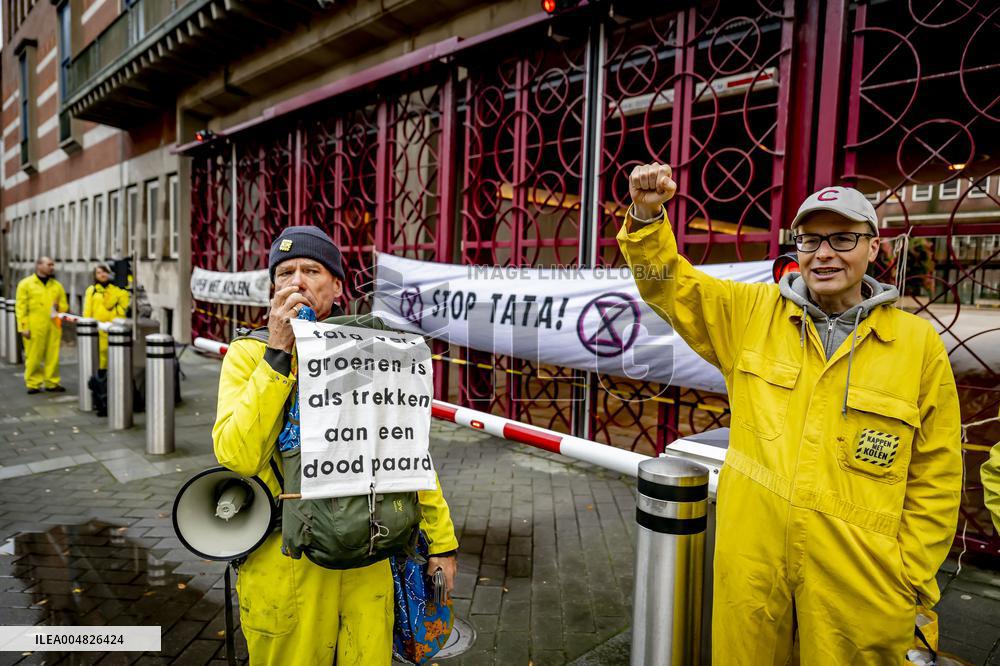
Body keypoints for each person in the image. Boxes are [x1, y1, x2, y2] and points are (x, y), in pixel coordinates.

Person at [618, 164, 962, 663]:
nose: (823, 254)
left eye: (843, 239)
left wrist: (909, 573)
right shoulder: (749, 314)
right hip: (753, 564)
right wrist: (648, 217)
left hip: (862, 577)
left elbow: (937, 473)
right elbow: (669, 286)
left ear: (873, 247)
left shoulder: (916, 344)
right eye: (810, 240)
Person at [212, 225, 458, 665]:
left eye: (312, 270)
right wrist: (278, 353)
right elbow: (237, 455)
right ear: (272, 288)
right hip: (286, 563)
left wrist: (441, 543)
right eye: (285, 272)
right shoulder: (248, 354)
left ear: (338, 286)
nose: (297, 282)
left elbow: (405, 450)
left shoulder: (375, 350)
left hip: (370, 558)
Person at [15, 256, 69, 394]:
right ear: (39, 265)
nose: (52, 267)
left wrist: (59, 307)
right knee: (34, 356)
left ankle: (52, 382)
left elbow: (64, 306)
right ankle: (33, 383)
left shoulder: (56, 286)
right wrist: (23, 327)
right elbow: (21, 308)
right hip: (34, 325)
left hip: (53, 325)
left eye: (52, 265)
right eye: (49, 264)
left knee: (53, 356)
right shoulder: (26, 284)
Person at [83, 263, 130, 369]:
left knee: (116, 355)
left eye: (104, 271)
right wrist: (87, 326)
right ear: (95, 276)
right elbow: (87, 310)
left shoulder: (116, 289)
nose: (102, 274)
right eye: (98, 273)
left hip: (114, 327)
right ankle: (102, 375)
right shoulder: (92, 290)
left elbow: (124, 306)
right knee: (101, 355)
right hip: (99, 328)